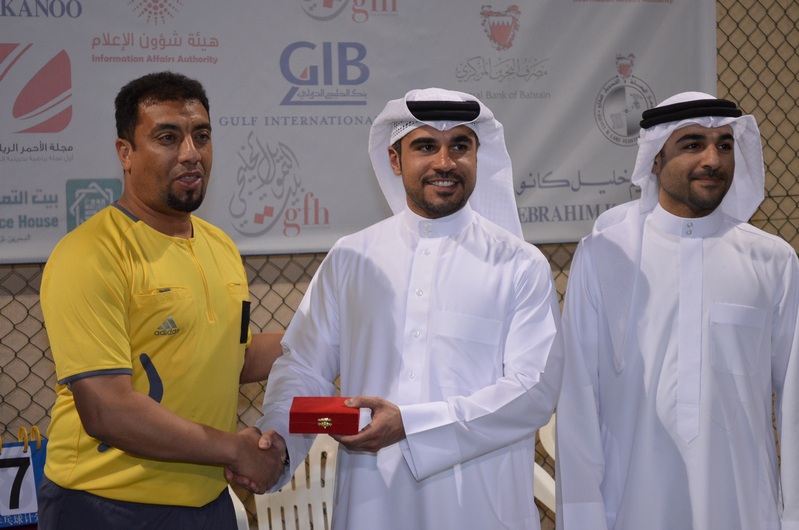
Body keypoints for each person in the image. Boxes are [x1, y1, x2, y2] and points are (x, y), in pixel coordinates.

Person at [236, 87, 564, 530]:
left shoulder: (519, 264)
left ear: (477, 156)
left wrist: (411, 424)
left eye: (459, 146)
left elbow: (533, 391)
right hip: (373, 502)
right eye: (425, 146)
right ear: (395, 160)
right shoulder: (352, 257)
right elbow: (304, 367)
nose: (444, 162)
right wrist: (278, 439)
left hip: (479, 506)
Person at [38, 71, 287, 530]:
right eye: (168, 138)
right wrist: (234, 449)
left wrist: (327, 338)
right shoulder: (89, 254)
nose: (191, 153)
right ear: (125, 153)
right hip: (106, 506)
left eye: (201, 136)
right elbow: (107, 410)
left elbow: (233, 356)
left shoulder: (220, 246)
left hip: (207, 503)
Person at [555, 92, 799, 530]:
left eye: (725, 145)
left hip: (743, 508)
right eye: (693, 144)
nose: (713, 159)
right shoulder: (605, 257)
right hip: (630, 508)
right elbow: (578, 402)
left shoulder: (772, 261)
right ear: (655, 159)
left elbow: (795, 402)